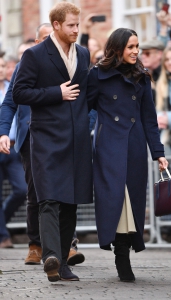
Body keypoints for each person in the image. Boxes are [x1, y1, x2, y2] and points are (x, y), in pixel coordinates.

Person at [12, 2, 93, 282]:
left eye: (78, 25)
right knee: (48, 199)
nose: (76, 30)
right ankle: (50, 256)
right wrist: (54, 93)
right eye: (71, 25)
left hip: (78, 138)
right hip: (46, 137)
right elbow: (19, 93)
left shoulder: (83, 53)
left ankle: (63, 264)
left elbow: (89, 94)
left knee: (71, 201)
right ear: (56, 25)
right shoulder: (34, 55)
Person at [0, 23, 86, 266]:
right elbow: (9, 103)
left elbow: (85, 98)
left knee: (66, 191)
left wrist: (85, 124)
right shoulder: (25, 64)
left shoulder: (72, 61)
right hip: (31, 137)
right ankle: (36, 244)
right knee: (36, 193)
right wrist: (3, 132)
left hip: (66, 135)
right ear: (38, 43)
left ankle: (68, 245)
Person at [87, 28, 168, 282]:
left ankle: (124, 252)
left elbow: (149, 118)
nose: (135, 51)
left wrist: (158, 153)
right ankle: (120, 253)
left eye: (137, 46)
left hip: (134, 145)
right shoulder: (97, 75)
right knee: (115, 200)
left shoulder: (142, 77)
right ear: (117, 48)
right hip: (109, 145)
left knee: (130, 203)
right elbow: (83, 111)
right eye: (130, 47)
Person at [0, 55, 27, 248]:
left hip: (14, 146)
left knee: (22, 189)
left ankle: (2, 224)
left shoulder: (12, 87)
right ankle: (3, 236)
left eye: (2, 66)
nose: (1, 69)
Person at [139, 39, 165, 103]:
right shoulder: (146, 73)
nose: (143, 56)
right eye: (142, 53)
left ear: (159, 54)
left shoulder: (167, 73)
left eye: (147, 53)